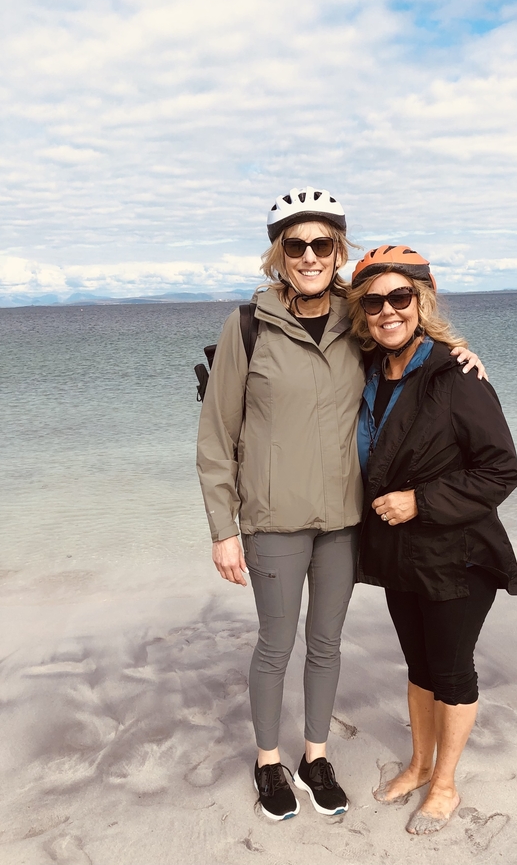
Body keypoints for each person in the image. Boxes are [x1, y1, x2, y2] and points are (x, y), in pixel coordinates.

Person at [196, 190, 485, 821]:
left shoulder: (353, 324)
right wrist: (223, 528)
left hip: (342, 521)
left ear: (337, 252)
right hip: (272, 519)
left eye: (321, 244)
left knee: (325, 643)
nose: (308, 255)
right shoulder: (247, 325)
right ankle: (268, 763)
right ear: (279, 254)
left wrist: (460, 353)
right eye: (295, 244)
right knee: (276, 643)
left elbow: (406, 339)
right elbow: (217, 437)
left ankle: (315, 756)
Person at [348, 245, 517, 836]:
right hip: (402, 555)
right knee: (418, 666)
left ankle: (445, 782)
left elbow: (500, 470)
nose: (387, 311)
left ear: (421, 302)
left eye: (400, 298)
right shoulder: (369, 369)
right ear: (361, 312)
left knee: (451, 672)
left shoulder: (455, 374)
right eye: (373, 302)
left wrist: (421, 501)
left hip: (459, 553)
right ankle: (419, 764)